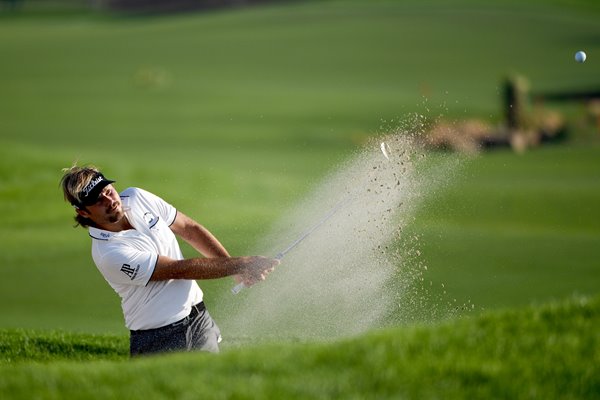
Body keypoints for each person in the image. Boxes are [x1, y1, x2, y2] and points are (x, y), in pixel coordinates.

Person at [60, 165, 278, 356]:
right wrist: (242, 263)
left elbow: (189, 229)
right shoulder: (108, 253)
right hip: (159, 338)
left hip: (199, 317)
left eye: (108, 191)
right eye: (98, 200)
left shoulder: (137, 198)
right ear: (83, 212)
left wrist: (235, 270)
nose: (110, 201)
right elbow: (178, 270)